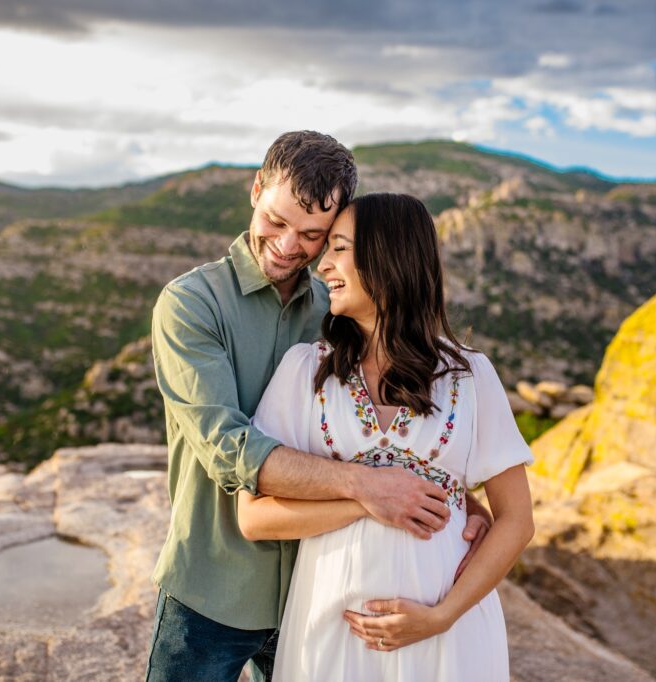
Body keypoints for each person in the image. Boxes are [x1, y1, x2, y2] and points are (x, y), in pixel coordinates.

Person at [144, 132, 495, 682]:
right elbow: (233, 450)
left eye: (313, 236)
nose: (288, 246)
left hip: (317, 588)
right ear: (256, 190)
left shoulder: (337, 310)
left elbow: (384, 414)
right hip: (216, 587)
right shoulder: (191, 304)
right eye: (276, 221)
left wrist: (452, 496)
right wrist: (368, 487)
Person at [237, 193, 536, 681]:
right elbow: (253, 518)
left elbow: (517, 520)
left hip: (446, 638)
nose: (322, 265)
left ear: (387, 257)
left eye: (338, 248)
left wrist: (442, 616)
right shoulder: (305, 371)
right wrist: (369, 499)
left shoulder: (469, 375)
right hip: (327, 630)